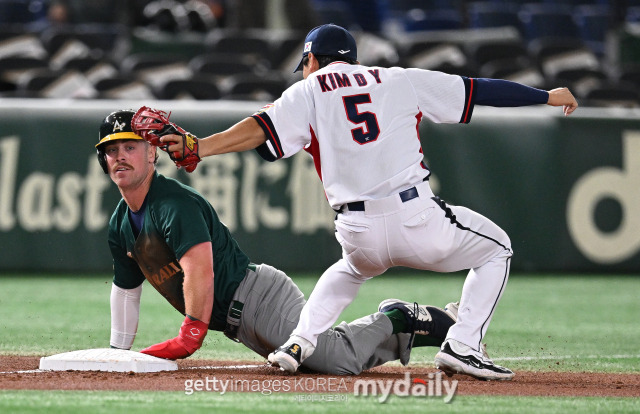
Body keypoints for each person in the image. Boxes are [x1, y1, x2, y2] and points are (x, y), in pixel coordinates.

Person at [142, 24, 578, 380]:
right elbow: (477, 89)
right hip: (415, 217)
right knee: (496, 247)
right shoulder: (397, 79)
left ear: (312, 59)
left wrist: (200, 145)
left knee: (348, 271)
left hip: (358, 230)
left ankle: (299, 343)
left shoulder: (308, 91)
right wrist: (544, 96)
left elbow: (258, 129)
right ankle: (463, 343)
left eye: (305, 63)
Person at [97, 108, 460, 375]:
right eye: (112, 151)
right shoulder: (120, 224)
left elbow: (200, 272)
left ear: (151, 152)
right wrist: (118, 352)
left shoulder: (173, 203)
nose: (119, 157)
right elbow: (126, 289)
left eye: (129, 146)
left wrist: (191, 333)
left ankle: (401, 319)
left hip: (258, 299)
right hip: (242, 317)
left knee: (336, 359)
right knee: (319, 358)